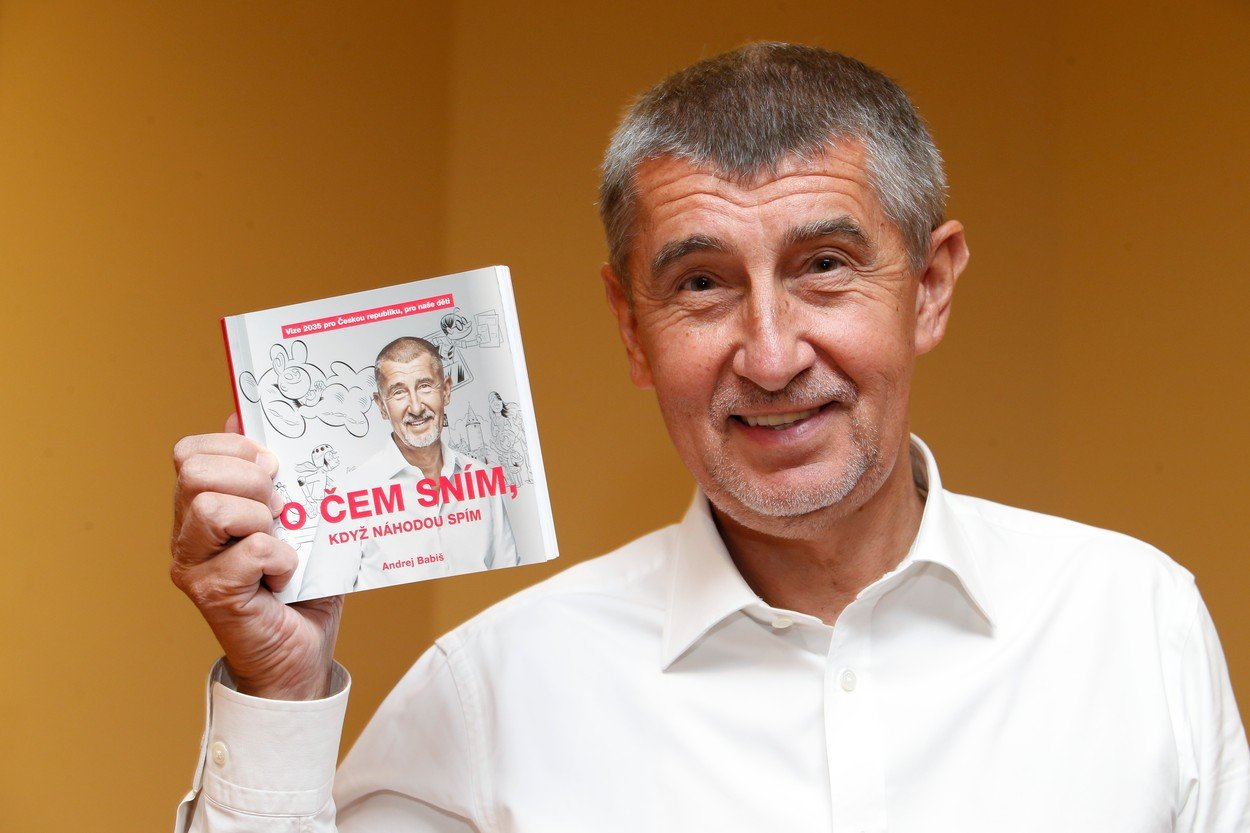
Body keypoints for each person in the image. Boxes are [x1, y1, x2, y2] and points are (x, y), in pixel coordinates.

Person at [169, 44, 1248, 831]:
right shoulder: (492, 688)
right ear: (630, 327)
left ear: (929, 287)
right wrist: (278, 695)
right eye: (700, 283)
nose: (770, 356)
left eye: (824, 266)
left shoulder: (1134, 621)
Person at [297, 336, 518, 600]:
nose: (415, 407)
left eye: (425, 386)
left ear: (446, 391)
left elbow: (512, 586)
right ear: (381, 406)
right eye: (399, 392)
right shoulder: (346, 497)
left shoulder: (482, 478)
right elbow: (318, 606)